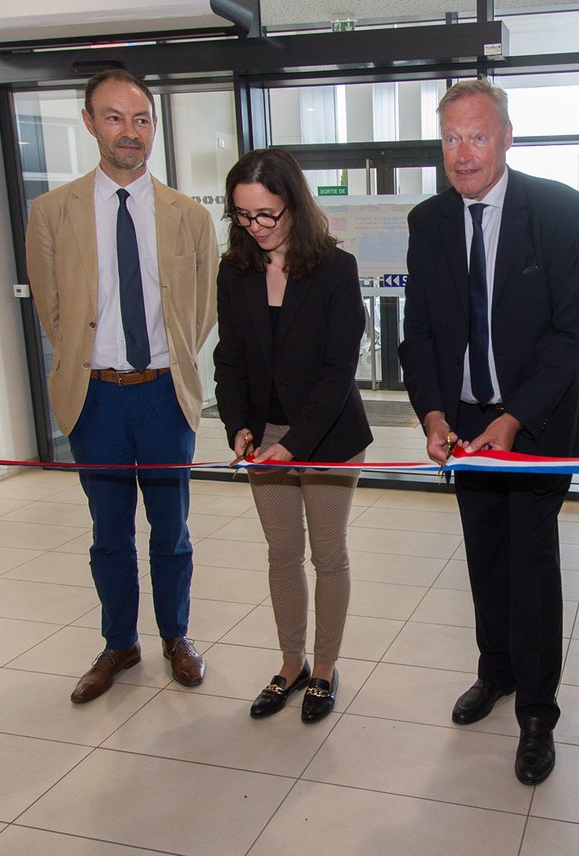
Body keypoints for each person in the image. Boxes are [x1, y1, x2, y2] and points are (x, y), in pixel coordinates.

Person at [398, 78, 579, 785]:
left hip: (534, 424)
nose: (463, 152)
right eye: (451, 137)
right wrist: (432, 414)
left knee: (531, 563)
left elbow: (569, 333)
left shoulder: (556, 209)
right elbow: (417, 332)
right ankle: (497, 673)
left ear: (506, 137)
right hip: (463, 426)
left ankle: (538, 713)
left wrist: (514, 418)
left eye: (477, 136)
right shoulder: (427, 223)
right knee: (484, 557)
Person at [26, 69, 217, 703]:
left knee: (173, 530)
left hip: (165, 394)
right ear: (89, 123)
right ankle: (119, 643)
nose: (128, 132)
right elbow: (52, 311)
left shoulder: (188, 216)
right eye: (113, 117)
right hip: (96, 398)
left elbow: (202, 309)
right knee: (109, 532)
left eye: (140, 119)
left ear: (153, 128)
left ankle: (176, 637)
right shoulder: (52, 213)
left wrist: (172, 361)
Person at [213, 148, 372, 724]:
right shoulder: (235, 272)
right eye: (242, 215)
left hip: (326, 434)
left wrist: (295, 442)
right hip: (266, 438)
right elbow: (229, 361)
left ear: (294, 207)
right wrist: (240, 426)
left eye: (267, 215)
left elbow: (337, 372)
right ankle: (290, 664)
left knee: (328, 555)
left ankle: (325, 669)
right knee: (283, 553)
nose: (255, 227)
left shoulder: (335, 269)